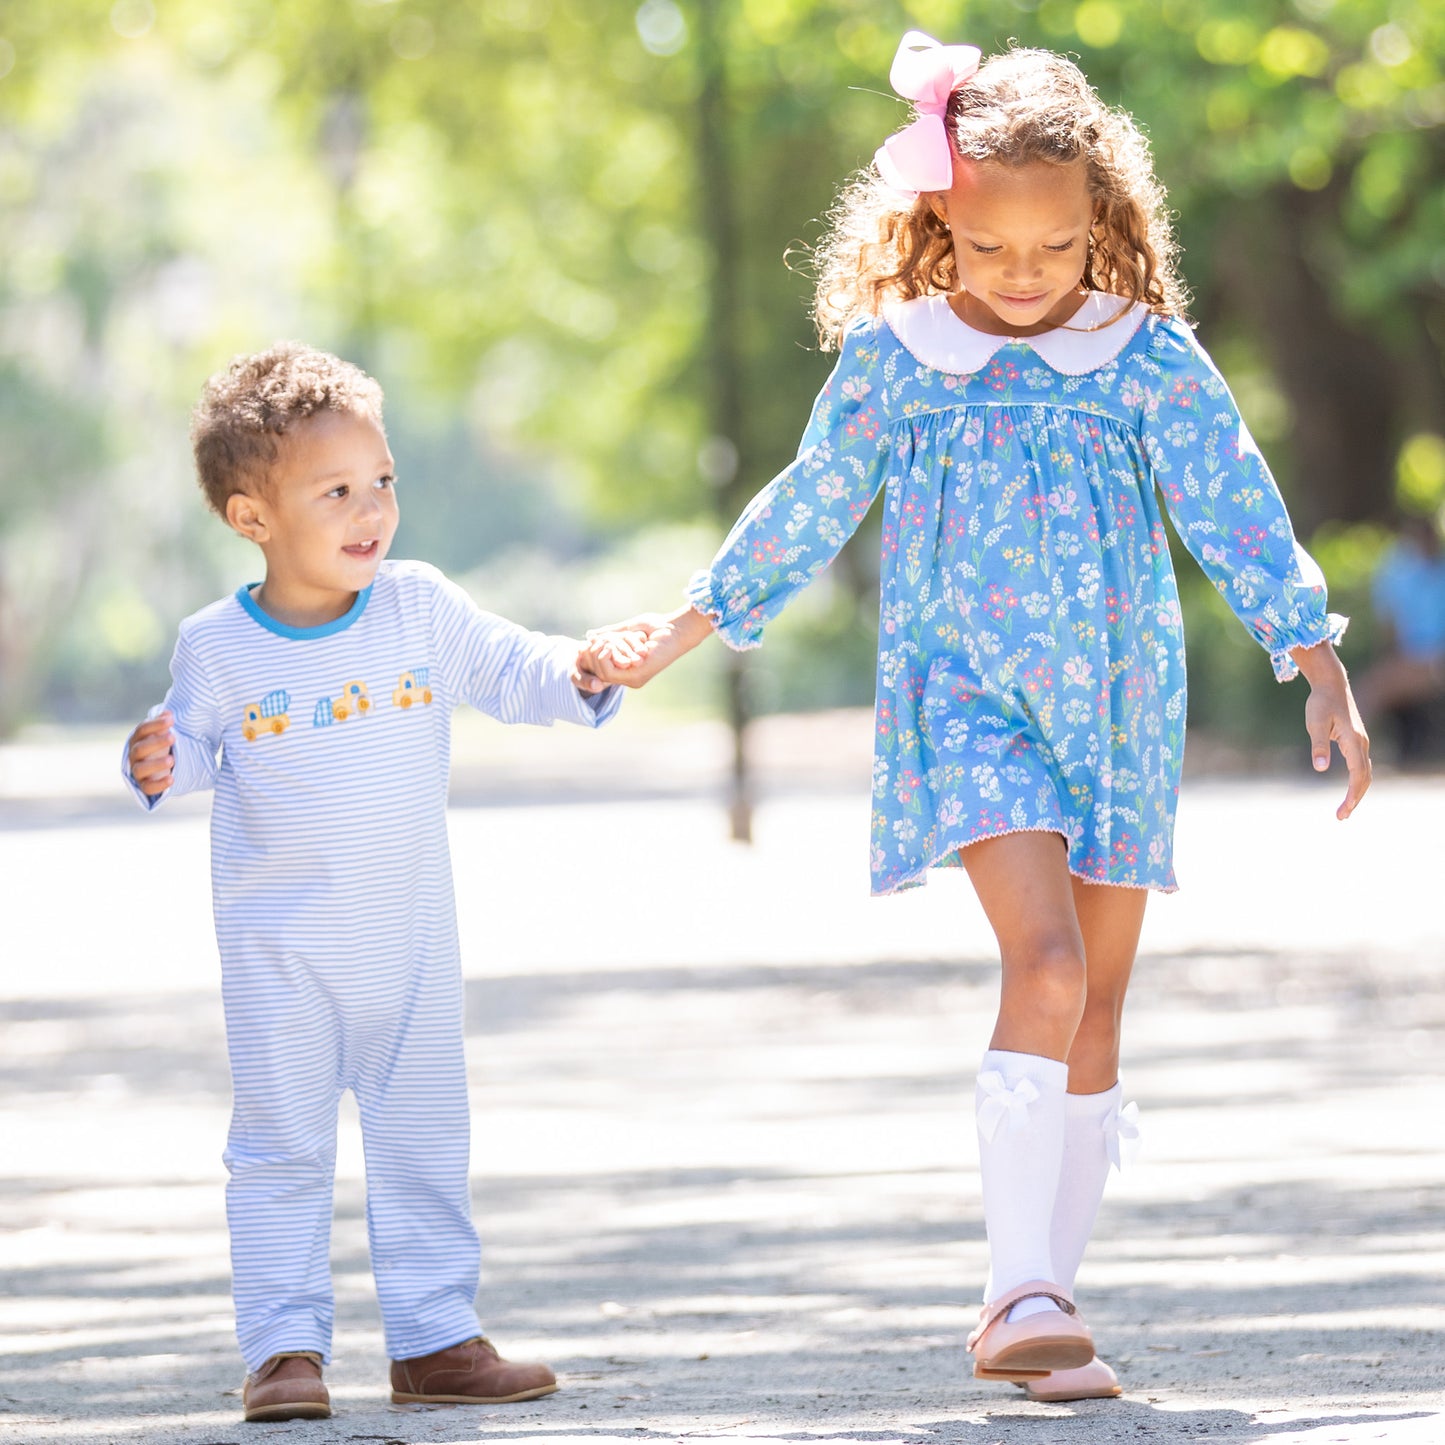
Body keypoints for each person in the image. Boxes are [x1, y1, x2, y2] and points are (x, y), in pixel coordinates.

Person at [586, 34, 1371, 1404]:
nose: (1022, 277)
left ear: (1102, 224)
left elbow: (1234, 505)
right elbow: (810, 499)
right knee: (1049, 968)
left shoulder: (1146, 360)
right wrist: (688, 627)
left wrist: (1316, 658)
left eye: (1056, 248)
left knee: (1102, 1009)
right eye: (990, 248)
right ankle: (1017, 1290)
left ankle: (1046, 1303)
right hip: (968, 706)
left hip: (1121, 710)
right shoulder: (901, 362)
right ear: (935, 223)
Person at [122, 343, 637, 1423]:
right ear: (250, 516)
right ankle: (283, 1348)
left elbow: (508, 665)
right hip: (282, 957)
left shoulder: (416, 608)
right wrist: (160, 760)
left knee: (423, 1138)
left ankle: (436, 1335)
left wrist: (578, 668)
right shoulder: (216, 647)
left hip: (406, 944)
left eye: (383, 480)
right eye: (337, 491)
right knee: (279, 1146)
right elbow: (196, 747)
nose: (373, 511)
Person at [1356, 514, 1445, 761]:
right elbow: (1389, 626)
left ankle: (1343, 756)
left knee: (1369, 691)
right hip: (1414, 659)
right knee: (1368, 688)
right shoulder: (1401, 574)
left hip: (1433, 660)